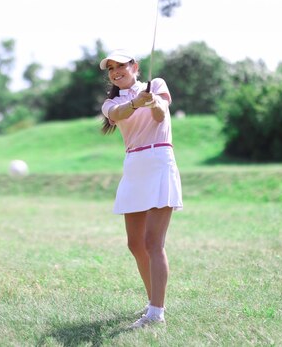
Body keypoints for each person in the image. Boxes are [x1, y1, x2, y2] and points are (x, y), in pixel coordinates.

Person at [99, 49, 183, 328]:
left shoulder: (155, 84)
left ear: (134, 66)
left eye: (120, 65)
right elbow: (120, 113)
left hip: (159, 159)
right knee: (135, 244)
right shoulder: (111, 103)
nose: (115, 71)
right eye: (110, 68)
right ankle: (152, 303)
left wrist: (151, 102)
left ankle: (157, 313)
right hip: (134, 164)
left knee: (153, 243)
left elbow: (161, 115)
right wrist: (136, 103)